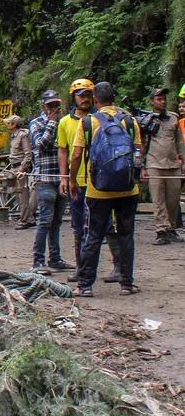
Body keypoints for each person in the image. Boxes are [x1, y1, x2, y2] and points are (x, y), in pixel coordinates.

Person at [69, 82, 143, 297]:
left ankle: (85, 286)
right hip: (127, 189)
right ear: (114, 98)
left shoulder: (88, 122)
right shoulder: (130, 121)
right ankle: (126, 284)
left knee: (93, 235)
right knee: (126, 235)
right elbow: (138, 152)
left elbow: (76, 155)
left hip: (97, 189)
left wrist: (72, 180)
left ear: (95, 100)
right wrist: (136, 177)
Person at [29, 91, 70, 273]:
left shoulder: (65, 122)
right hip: (44, 178)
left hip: (61, 178)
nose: (54, 108)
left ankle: (55, 258)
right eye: (50, 105)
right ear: (44, 106)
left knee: (57, 222)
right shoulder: (36, 123)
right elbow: (41, 145)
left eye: (56, 105)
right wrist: (52, 123)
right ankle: (38, 261)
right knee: (44, 220)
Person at [57, 79, 97, 266]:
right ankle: (81, 266)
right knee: (78, 226)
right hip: (76, 181)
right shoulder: (64, 122)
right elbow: (63, 151)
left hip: (99, 181)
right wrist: (64, 178)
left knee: (103, 226)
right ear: (74, 97)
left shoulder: (99, 119)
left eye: (88, 95)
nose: (85, 99)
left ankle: (114, 267)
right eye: (81, 95)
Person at [142, 87, 185, 244]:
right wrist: (142, 166)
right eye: (159, 99)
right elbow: (141, 144)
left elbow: (179, 142)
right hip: (154, 164)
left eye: (164, 99)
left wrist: (183, 161)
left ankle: (171, 228)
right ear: (152, 101)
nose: (163, 101)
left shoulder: (173, 118)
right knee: (158, 200)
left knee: (173, 199)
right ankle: (161, 230)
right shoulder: (146, 120)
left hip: (173, 164)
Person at [4, 115, 35, 230]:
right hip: (14, 167)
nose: (7, 125)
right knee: (18, 195)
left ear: (13, 124)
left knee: (23, 196)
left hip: (19, 168)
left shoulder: (22, 135)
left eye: (9, 123)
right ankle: (29, 218)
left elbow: (28, 155)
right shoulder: (13, 136)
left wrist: (22, 169)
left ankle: (25, 220)